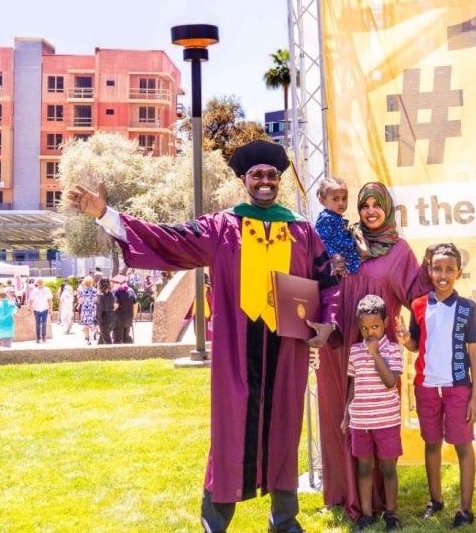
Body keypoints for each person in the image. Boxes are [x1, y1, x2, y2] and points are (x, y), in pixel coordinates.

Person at [67, 139, 339, 533]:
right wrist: (107, 216)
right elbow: (168, 238)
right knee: (230, 432)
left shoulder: (302, 231)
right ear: (245, 180)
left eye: (271, 176)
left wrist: (328, 321)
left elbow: (326, 281)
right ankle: (215, 523)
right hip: (237, 353)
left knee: (284, 429)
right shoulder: (223, 226)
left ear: (279, 180)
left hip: (286, 351)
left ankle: (284, 521)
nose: (265, 182)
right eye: (257, 175)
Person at [316, 182, 431, 522]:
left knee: (377, 422)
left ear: (386, 208)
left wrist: (410, 338)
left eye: (375, 205)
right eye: (364, 206)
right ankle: (341, 493)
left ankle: (382, 502)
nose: (369, 211)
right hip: (339, 348)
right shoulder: (346, 240)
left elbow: (418, 296)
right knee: (340, 417)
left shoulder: (399, 251)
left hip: (379, 353)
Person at [397, 242, 476, 528]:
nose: (442, 274)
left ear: (458, 272)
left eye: (449, 269)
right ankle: (435, 500)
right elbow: (414, 345)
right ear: (430, 270)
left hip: (458, 387)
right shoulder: (419, 305)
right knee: (432, 443)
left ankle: (466, 509)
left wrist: (475, 397)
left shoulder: (467, 308)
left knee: (462, 445)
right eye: (437, 268)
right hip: (427, 386)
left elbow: (474, 353)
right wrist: (403, 338)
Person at [343, 294, 404, 532]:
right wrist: (347, 414)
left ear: (386, 324)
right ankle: (366, 515)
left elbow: (390, 382)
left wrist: (376, 354)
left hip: (386, 420)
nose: (370, 333)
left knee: (388, 468)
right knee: (364, 467)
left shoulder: (392, 350)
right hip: (360, 421)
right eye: (365, 328)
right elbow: (353, 384)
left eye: (375, 327)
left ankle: (391, 514)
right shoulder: (355, 351)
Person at [316, 176, 360, 276]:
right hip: (339, 268)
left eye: (344, 199)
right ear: (322, 201)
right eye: (335, 199)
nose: (341, 203)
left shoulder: (336, 217)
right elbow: (320, 241)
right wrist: (334, 256)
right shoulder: (326, 218)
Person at [113, 274, 136, 344]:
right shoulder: (131, 290)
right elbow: (135, 304)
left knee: (117, 339)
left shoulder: (116, 292)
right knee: (126, 336)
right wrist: (133, 315)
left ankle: (117, 353)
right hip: (129, 317)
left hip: (118, 319)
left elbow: (116, 305)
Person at [28, 278, 53, 343]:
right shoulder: (34, 290)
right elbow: (31, 300)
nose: (40, 283)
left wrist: (51, 309)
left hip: (45, 309)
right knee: (37, 324)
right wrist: (29, 307)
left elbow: (50, 300)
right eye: (38, 282)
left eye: (41, 282)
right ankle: (38, 338)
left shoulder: (47, 290)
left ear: (43, 283)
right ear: (36, 283)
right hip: (36, 309)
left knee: (44, 323)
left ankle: (43, 336)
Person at [77, 276, 99, 345]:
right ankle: (93, 333)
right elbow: (96, 300)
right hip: (92, 309)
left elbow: (80, 301)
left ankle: (87, 339)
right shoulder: (95, 290)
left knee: (86, 325)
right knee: (93, 323)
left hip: (85, 309)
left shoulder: (82, 291)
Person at [96, 278, 116, 345]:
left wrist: (98, 320)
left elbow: (99, 309)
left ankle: (111, 353)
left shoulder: (101, 296)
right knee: (103, 336)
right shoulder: (112, 295)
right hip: (112, 318)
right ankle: (98, 350)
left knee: (107, 340)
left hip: (104, 319)